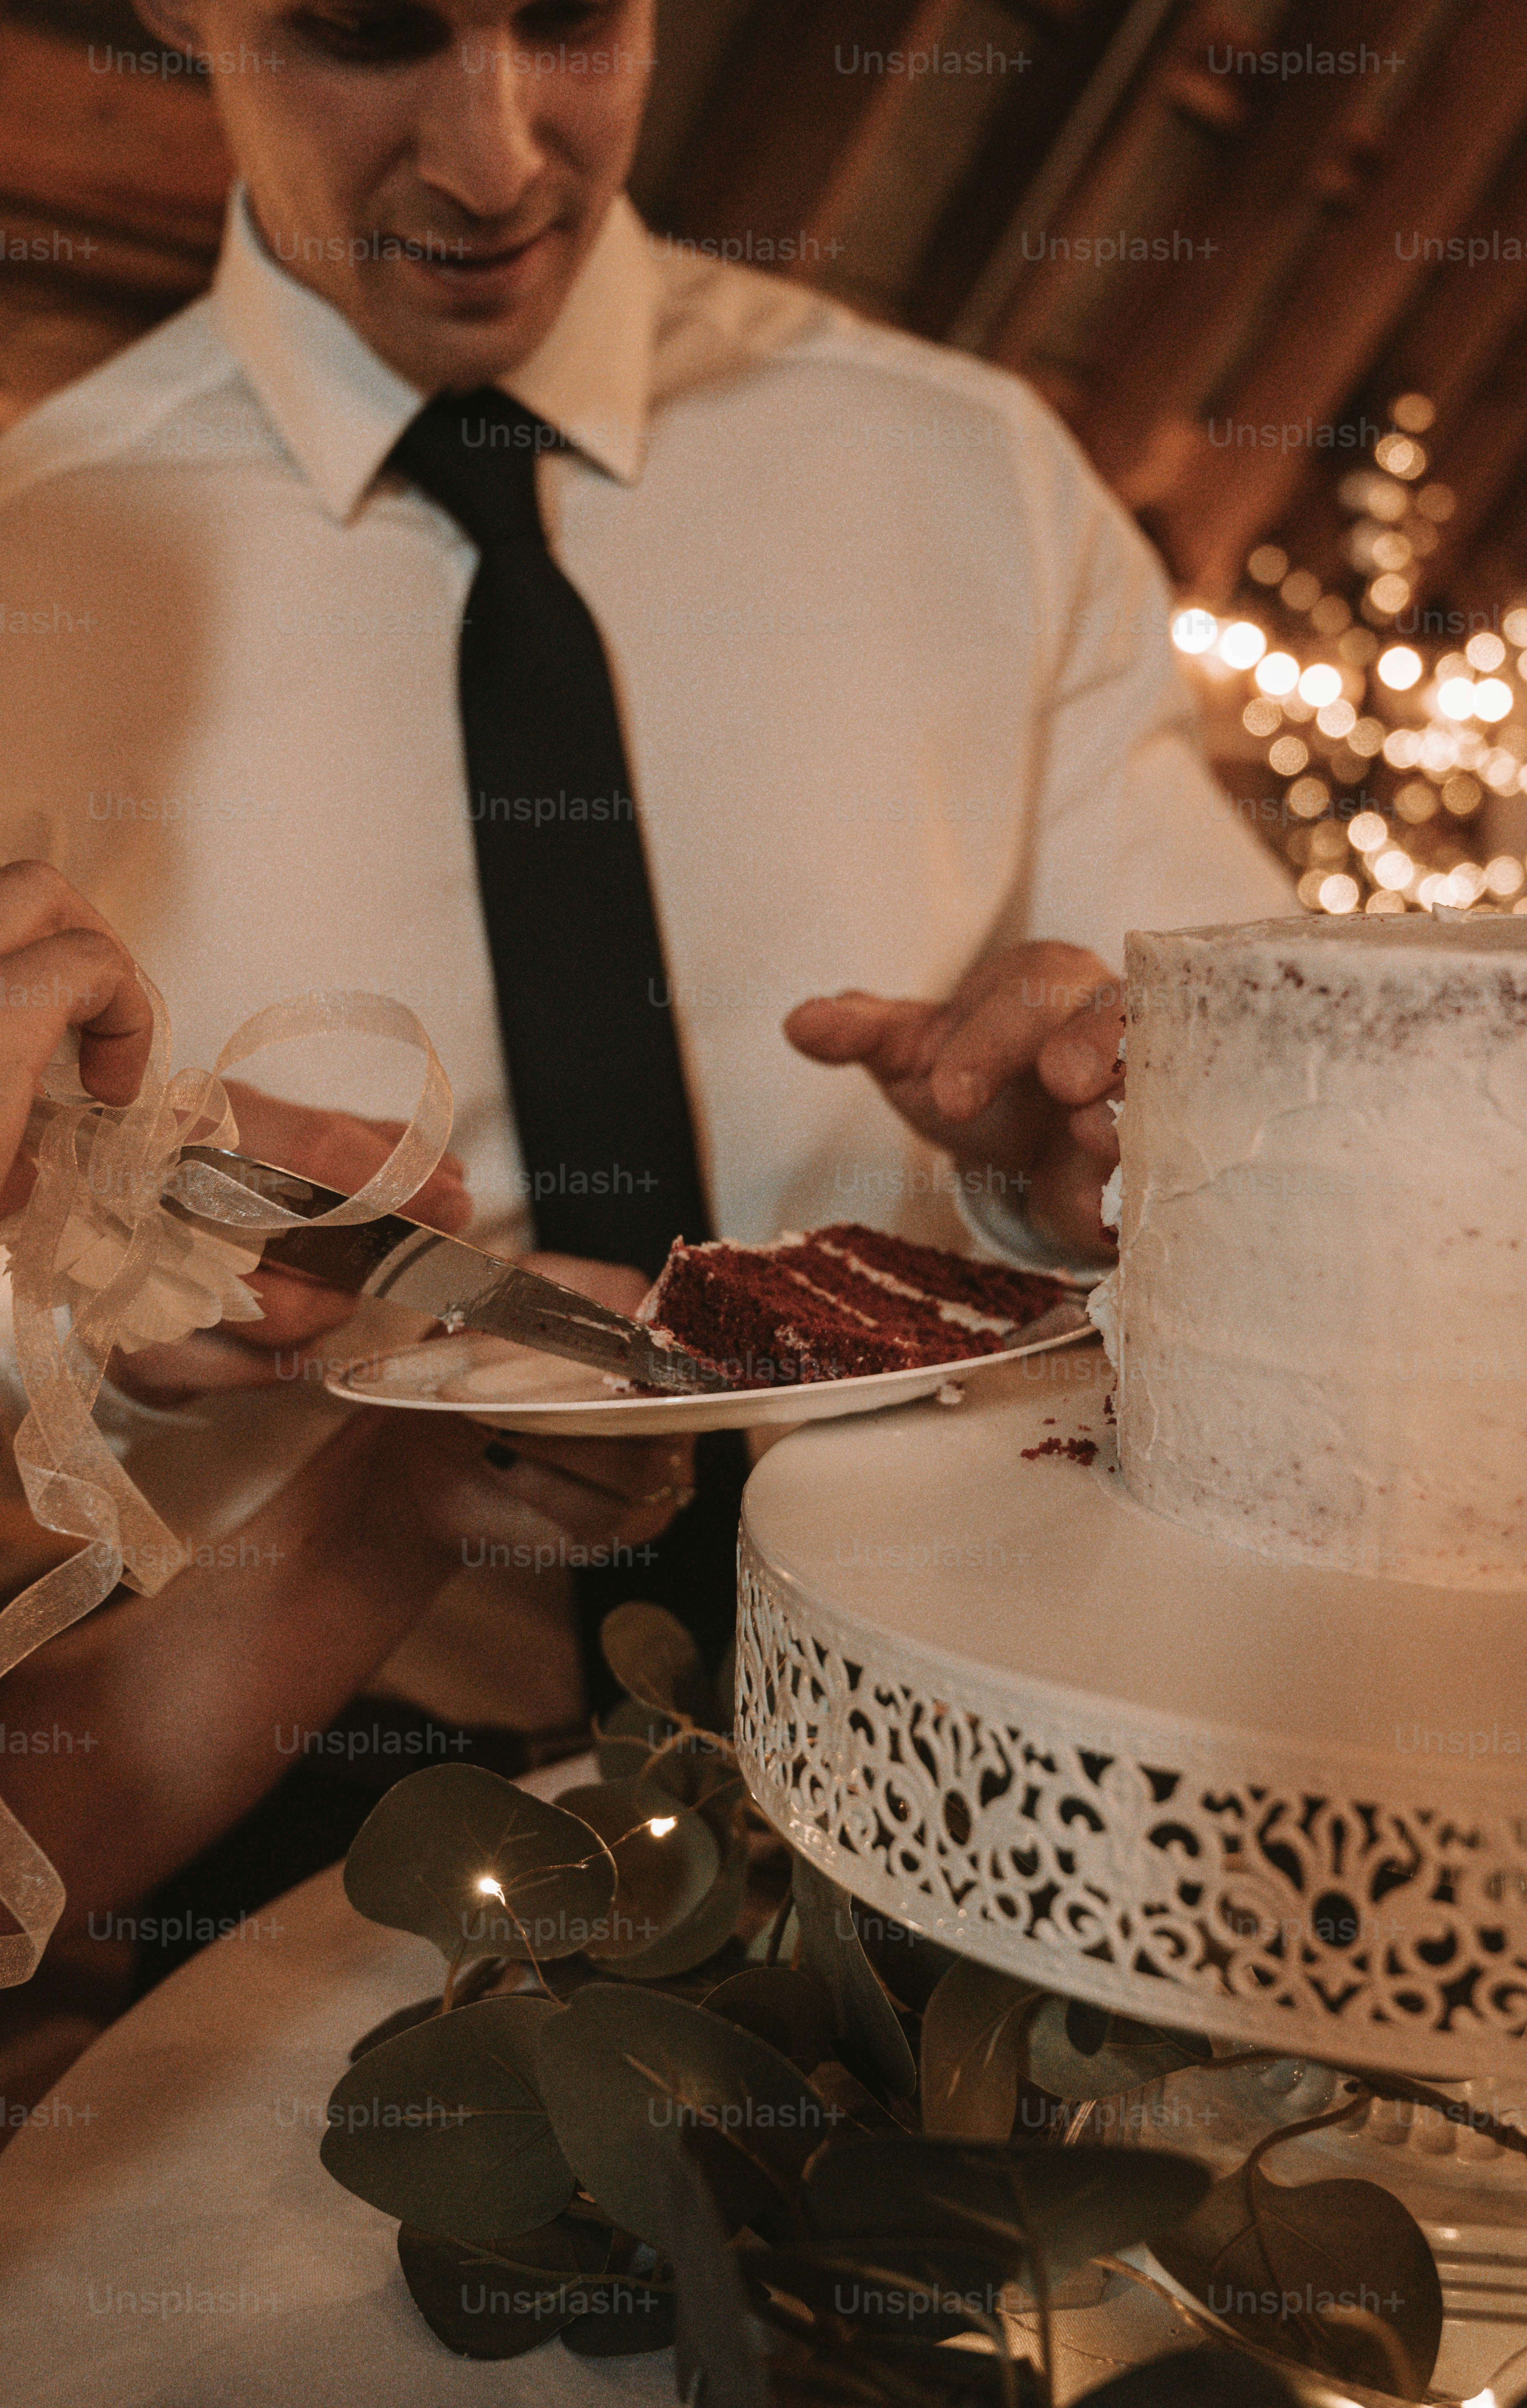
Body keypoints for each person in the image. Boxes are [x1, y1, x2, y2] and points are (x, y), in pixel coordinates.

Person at [0, 0, 1291, 2032]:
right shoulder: (37, 573)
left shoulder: (977, 482)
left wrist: (1106, 1161)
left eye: (576, 20)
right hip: (298, 1877)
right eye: (367, 32)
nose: (500, 155)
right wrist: (95, 1320)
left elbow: (1292, 1165)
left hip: (1002, 1778)